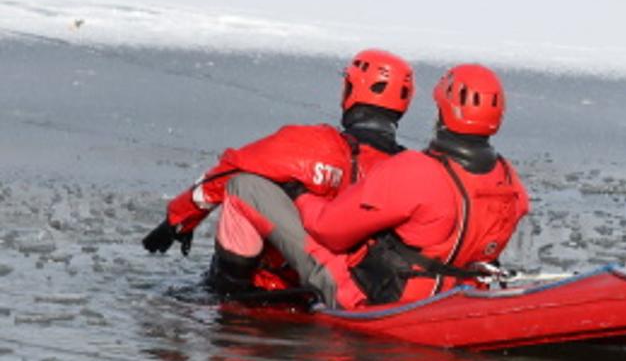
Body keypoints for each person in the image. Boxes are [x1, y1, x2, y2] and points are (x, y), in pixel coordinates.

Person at [143, 50, 415, 300]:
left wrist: (178, 219)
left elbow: (229, 172)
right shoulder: (410, 168)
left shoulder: (316, 145)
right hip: (361, 289)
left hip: (280, 288)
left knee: (243, 186)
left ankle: (227, 300)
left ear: (351, 90)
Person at [306, 63, 529, 310]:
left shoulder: (415, 170)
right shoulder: (509, 178)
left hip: (392, 303)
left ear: (444, 110)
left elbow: (328, 230)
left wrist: (301, 197)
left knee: (278, 207)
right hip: (464, 301)